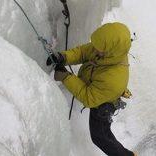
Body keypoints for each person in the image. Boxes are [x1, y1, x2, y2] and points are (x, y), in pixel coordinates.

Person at [47, 22, 136, 156]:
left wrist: (65, 77)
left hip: (103, 103)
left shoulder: (113, 79)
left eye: (99, 48)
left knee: (100, 137)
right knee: (103, 135)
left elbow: (89, 98)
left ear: (110, 50)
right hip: (97, 88)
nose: (94, 48)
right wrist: (63, 57)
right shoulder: (105, 50)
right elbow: (83, 53)